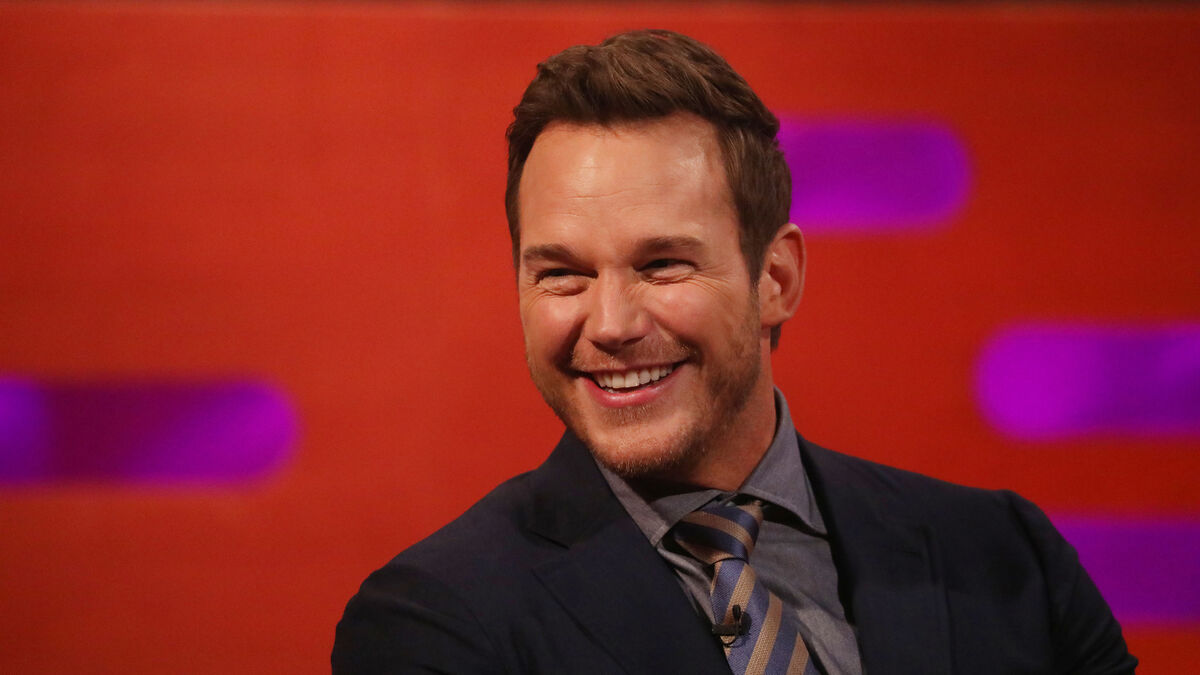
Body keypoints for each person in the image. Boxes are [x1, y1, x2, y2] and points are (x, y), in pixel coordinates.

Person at [333, 29, 1136, 674]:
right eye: (562, 274)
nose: (610, 323)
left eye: (662, 264)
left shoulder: (1005, 557)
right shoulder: (434, 623)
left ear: (775, 279)